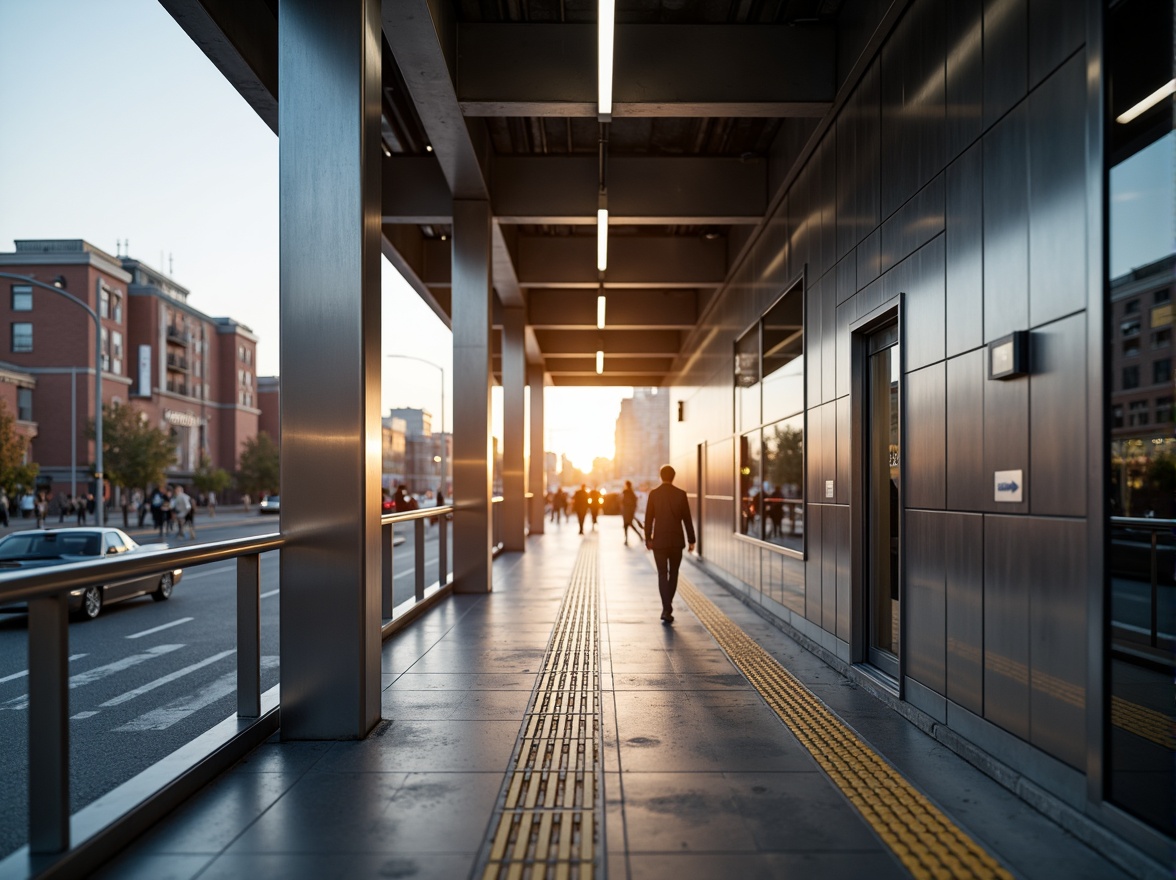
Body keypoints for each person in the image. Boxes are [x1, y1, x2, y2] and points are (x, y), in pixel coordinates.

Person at [644, 465, 696, 624]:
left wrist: (648, 538)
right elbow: (687, 519)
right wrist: (691, 540)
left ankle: (666, 608)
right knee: (673, 573)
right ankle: (667, 608)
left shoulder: (654, 494)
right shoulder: (681, 494)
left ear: (661, 476)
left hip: (659, 541)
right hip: (676, 541)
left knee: (662, 574)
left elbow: (648, 519)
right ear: (673, 477)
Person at [621, 480, 640, 546]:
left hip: (626, 512)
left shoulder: (626, 492)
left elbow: (622, 501)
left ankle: (627, 539)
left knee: (628, 525)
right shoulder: (631, 493)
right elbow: (635, 502)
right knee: (629, 525)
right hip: (629, 512)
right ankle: (627, 539)